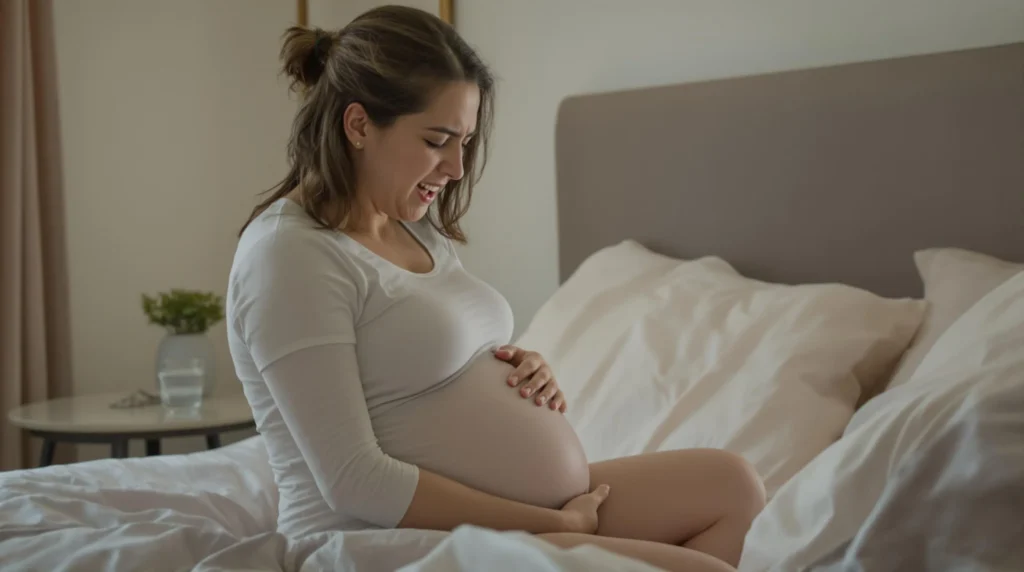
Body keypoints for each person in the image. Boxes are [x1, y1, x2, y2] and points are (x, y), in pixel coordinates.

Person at [226, 6, 765, 572]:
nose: (457, 167)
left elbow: (422, 365)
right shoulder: (289, 257)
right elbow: (352, 481)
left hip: (509, 512)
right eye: (437, 140)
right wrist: (554, 525)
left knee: (733, 487)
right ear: (358, 125)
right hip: (375, 539)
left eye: (464, 140)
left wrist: (519, 365)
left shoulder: (410, 224)